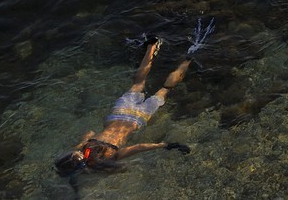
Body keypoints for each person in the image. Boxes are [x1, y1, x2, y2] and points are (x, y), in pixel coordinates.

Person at [54, 21, 212, 178]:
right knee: (138, 82)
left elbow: (139, 147)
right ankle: (152, 46)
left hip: (137, 119)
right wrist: (79, 144)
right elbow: (90, 131)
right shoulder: (83, 147)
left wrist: (167, 145)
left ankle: (189, 57)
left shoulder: (108, 156)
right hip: (119, 113)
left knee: (165, 89)